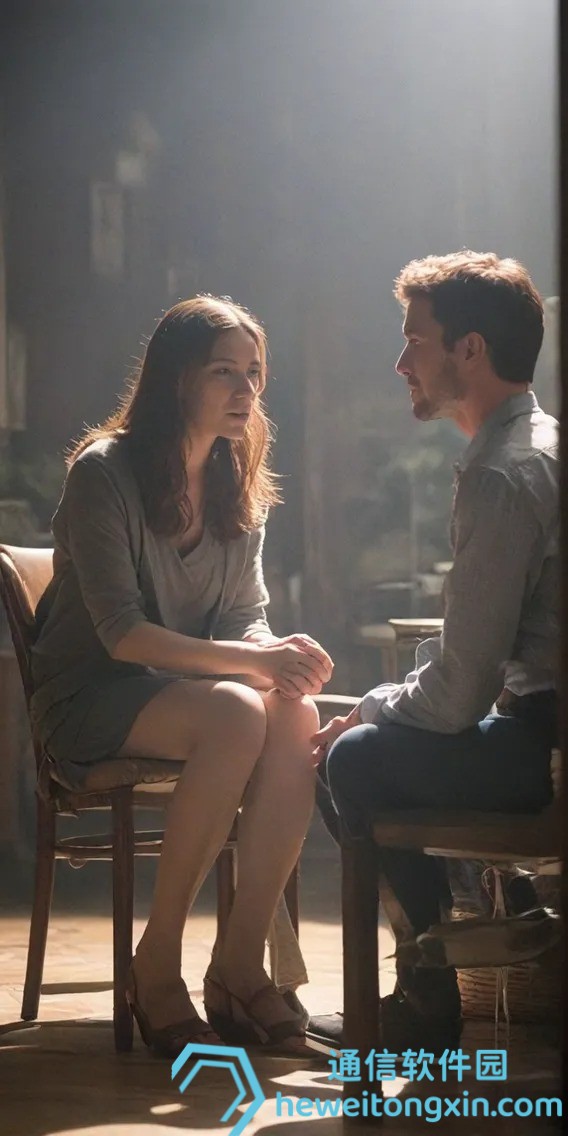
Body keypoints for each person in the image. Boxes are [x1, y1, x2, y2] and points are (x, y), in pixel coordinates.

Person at [30, 295, 333, 1057]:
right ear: (177, 379)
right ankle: (155, 964)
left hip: (184, 697)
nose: (245, 390)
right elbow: (122, 636)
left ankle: (238, 965)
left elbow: (244, 617)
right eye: (224, 371)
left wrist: (278, 652)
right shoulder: (104, 472)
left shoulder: (236, 478)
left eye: (254, 373)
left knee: (294, 712)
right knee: (237, 710)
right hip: (89, 698)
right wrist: (253, 663)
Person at [310, 251, 558, 1050]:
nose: (401, 362)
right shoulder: (543, 445)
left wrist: (367, 713)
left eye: (416, 339)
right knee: (366, 736)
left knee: (350, 759)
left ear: (469, 350)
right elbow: (471, 649)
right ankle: (471, 942)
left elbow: (457, 698)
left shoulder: (502, 474)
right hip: (539, 729)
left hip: (548, 750)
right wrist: (381, 705)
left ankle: (426, 997)